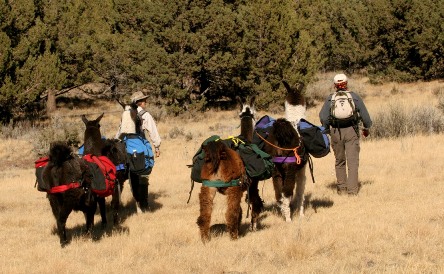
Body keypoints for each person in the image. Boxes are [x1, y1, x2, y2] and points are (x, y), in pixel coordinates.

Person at [319, 73, 372, 195]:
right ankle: (353, 191)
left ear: (334, 85)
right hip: (351, 131)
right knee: (352, 162)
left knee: (339, 161)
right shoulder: (354, 96)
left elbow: (323, 116)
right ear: (346, 84)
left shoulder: (330, 98)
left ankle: (342, 189)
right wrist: (366, 127)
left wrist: (327, 129)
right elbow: (366, 117)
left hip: (336, 132)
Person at [124, 91, 161, 212]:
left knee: (132, 175)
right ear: (139, 102)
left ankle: (137, 203)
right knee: (144, 174)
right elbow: (153, 131)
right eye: (144, 100)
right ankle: (144, 204)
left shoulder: (126, 113)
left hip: (128, 148)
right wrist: (157, 146)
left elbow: (120, 131)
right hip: (141, 148)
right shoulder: (145, 114)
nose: (146, 102)